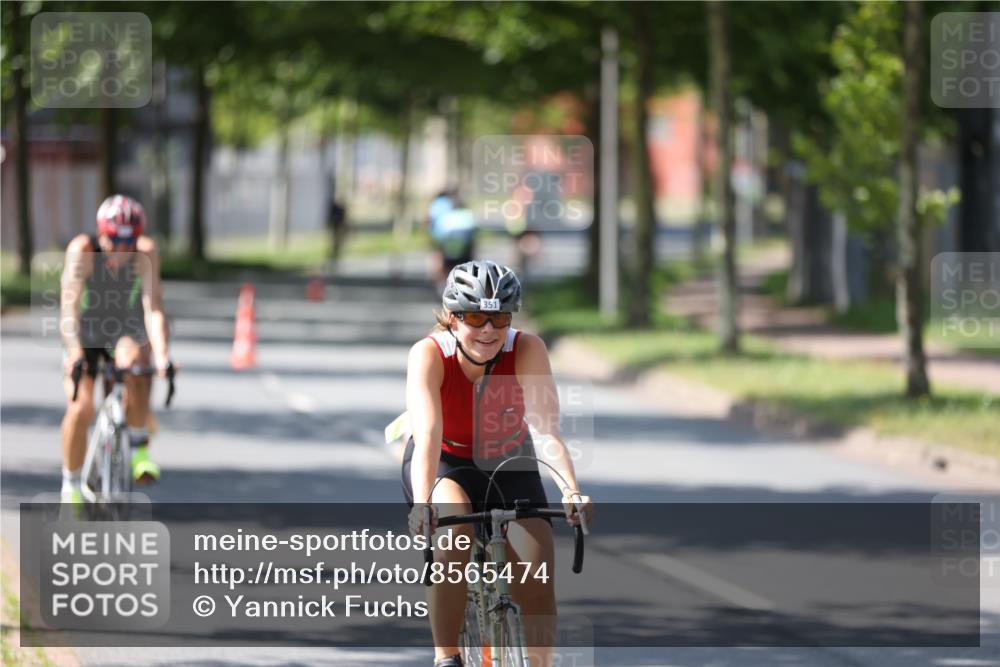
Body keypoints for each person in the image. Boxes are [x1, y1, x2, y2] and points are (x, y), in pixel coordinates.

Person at [402, 260, 593, 667]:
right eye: (475, 317)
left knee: (537, 575)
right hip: (445, 458)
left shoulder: (527, 349)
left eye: (499, 318)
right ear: (453, 319)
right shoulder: (429, 354)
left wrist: (571, 490)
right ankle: (447, 656)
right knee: (453, 535)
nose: (488, 330)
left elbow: (544, 429)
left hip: (508, 458)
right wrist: (423, 504)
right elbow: (429, 437)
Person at [59, 194, 174, 504]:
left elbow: (153, 309)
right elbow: (68, 308)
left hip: (124, 329)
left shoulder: (145, 252)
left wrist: (163, 356)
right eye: (115, 240)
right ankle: (70, 486)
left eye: (130, 241)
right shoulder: (82, 250)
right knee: (80, 407)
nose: (123, 248)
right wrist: (75, 353)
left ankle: (138, 449)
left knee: (137, 363)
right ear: (101, 233)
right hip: (85, 332)